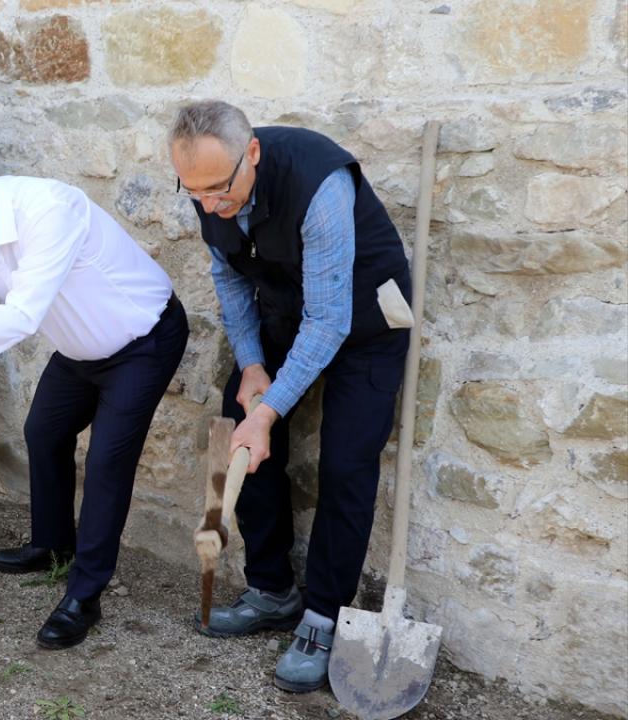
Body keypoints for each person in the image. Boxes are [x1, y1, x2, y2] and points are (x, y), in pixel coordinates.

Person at [0, 148, 189, 649]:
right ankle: (51, 545)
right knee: (43, 432)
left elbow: (23, 315)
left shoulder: (50, 210)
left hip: (142, 342)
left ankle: (84, 594)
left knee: (107, 462)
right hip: (78, 347)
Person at [168, 100, 413, 693]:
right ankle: (272, 589)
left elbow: (329, 321)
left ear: (251, 153)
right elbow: (229, 278)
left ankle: (323, 617)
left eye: (218, 190)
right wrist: (253, 366)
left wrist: (272, 411)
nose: (208, 204)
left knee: (346, 464)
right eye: (193, 192)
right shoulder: (209, 185)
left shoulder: (319, 184)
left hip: (364, 322)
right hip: (285, 313)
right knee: (239, 434)